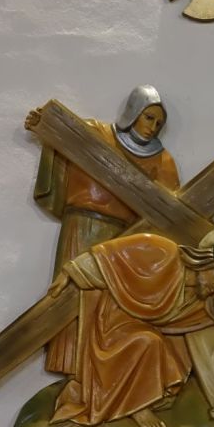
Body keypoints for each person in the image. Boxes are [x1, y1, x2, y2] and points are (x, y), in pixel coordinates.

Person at [46, 226, 214, 427]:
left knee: (166, 346)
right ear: (205, 260)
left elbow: (209, 349)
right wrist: (71, 271)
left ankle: (142, 399)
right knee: (149, 341)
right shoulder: (162, 253)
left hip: (141, 335)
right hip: (110, 325)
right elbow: (112, 258)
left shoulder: (198, 303)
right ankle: (138, 407)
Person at [25, 85, 179, 374]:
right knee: (70, 295)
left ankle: (100, 372)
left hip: (123, 240)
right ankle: (70, 366)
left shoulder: (163, 160)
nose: (153, 127)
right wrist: (42, 126)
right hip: (80, 225)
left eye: (159, 123)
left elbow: (171, 210)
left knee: (107, 305)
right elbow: (60, 132)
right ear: (133, 112)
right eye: (149, 117)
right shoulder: (97, 133)